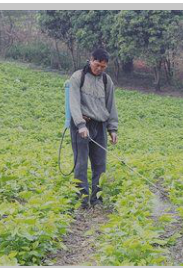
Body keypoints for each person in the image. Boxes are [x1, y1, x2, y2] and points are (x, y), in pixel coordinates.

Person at [69, 48, 118, 209]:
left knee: (100, 165)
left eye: (103, 67)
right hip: (82, 125)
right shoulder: (78, 77)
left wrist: (113, 129)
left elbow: (111, 105)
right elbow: (74, 103)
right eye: (97, 65)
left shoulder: (106, 81)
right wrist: (81, 125)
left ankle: (97, 199)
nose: (99, 69)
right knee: (81, 163)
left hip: (100, 126)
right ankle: (82, 200)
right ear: (91, 60)